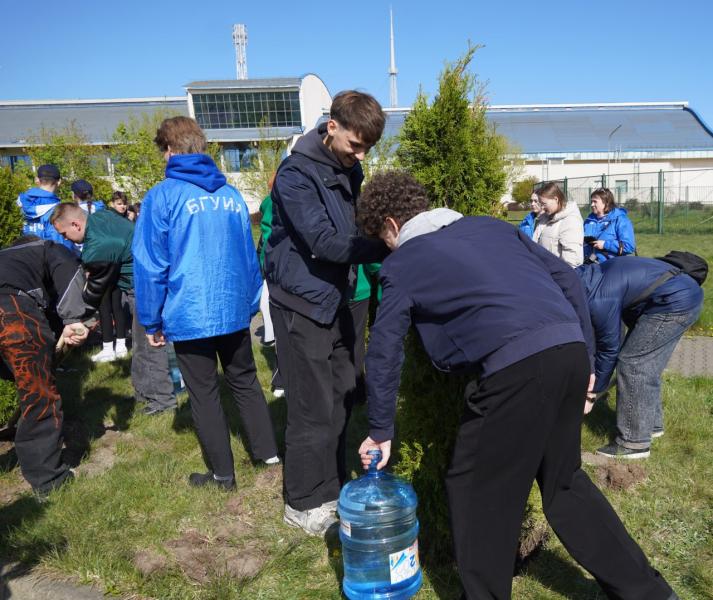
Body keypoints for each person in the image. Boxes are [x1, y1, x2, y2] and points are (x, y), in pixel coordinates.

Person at [356, 171, 676, 600]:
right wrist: (587, 357)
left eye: (383, 239)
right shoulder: (490, 227)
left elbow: (384, 349)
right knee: (564, 484)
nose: (387, 248)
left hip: (515, 369)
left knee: (475, 490)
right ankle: (650, 593)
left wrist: (380, 429)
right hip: (568, 350)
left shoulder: (402, 264)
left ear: (392, 224)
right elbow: (568, 278)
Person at [264, 90, 389, 535]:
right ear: (331, 126)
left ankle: (331, 487)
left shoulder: (348, 167)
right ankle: (302, 502)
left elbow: (354, 226)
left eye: (367, 149)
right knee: (311, 404)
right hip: (302, 301)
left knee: (342, 394)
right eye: (355, 145)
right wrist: (388, 245)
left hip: (339, 297)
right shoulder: (296, 173)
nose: (361, 155)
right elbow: (323, 242)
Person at [132, 116, 279, 491]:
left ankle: (222, 475)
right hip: (232, 308)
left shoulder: (162, 196)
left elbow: (150, 263)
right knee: (244, 380)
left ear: (169, 150)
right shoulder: (230, 196)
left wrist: (151, 320)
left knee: (203, 391)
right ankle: (268, 453)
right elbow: (249, 256)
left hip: (190, 309)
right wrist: (250, 304)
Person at [50, 202, 176, 414]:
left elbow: (94, 295)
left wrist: (75, 321)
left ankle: (163, 402)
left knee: (150, 344)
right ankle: (144, 393)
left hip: (146, 287)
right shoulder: (101, 217)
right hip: (145, 281)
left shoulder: (98, 246)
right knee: (140, 343)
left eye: (64, 234)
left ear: (76, 225)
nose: (65, 239)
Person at [577, 256, 703, 459]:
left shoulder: (599, 299)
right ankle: (652, 426)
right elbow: (610, 337)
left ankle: (634, 443)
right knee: (647, 364)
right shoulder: (588, 278)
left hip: (673, 303)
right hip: (681, 294)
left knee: (633, 364)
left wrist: (592, 392)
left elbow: (609, 349)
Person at [0, 236, 92, 498]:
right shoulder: (45, 248)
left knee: (26, 377)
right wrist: (74, 318)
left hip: (12, 309)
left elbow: (48, 316)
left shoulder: (10, 261)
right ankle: (49, 481)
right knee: (38, 394)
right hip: (11, 312)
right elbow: (70, 270)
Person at [16, 164, 76, 253]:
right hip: (48, 259)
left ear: (37, 180)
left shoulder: (19, 205)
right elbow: (62, 248)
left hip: (23, 257)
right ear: (59, 182)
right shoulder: (58, 211)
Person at [533, 181, 583, 267]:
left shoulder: (571, 221)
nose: (542, 208)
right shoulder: (544, 218)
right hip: (541, 269)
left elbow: (571, 260)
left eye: (544, 204)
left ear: (556, 199)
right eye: (541, 204)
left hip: (556, 273)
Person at [583, 187, 636, 263]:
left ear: (606, 202)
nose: (592, 204)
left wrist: (605, 244)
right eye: (591, 201)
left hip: (610, 266)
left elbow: (629, 246)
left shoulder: (620, 220)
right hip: (588, 265)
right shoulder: (588, 220)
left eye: (595, 201)